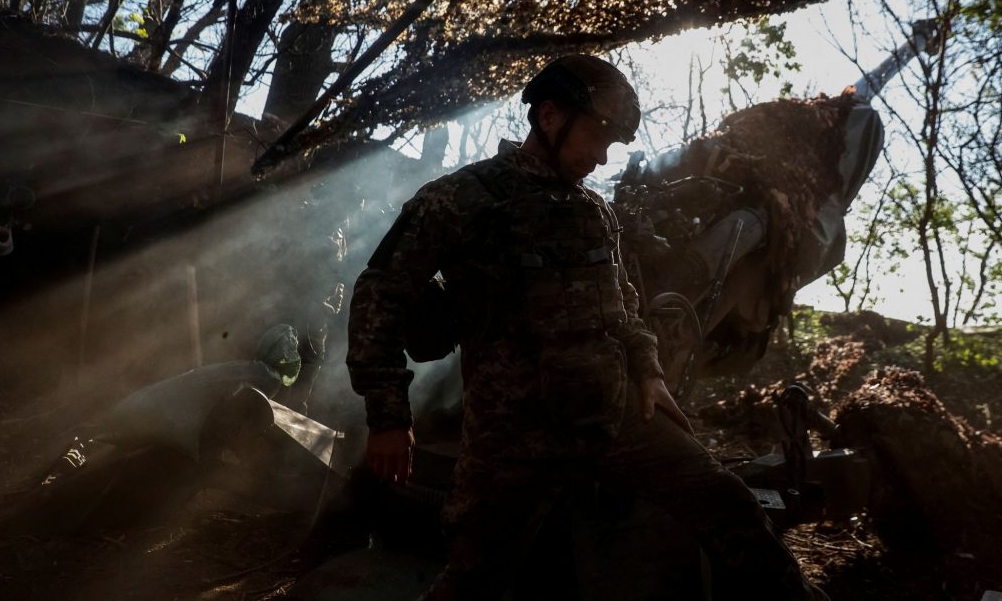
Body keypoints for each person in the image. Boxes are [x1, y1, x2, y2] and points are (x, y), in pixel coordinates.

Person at [347, 54, 826, 600]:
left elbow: (622, 306)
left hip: (614, 414)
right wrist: (387, 415)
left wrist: (648, 371)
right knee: (477, 577)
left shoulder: (593, 212)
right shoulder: (463, 198)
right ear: (549, 116)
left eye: (611, 146)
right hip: (512, 435)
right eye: (596, 137)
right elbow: (381, 291)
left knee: (728, 502)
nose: (601, 158)